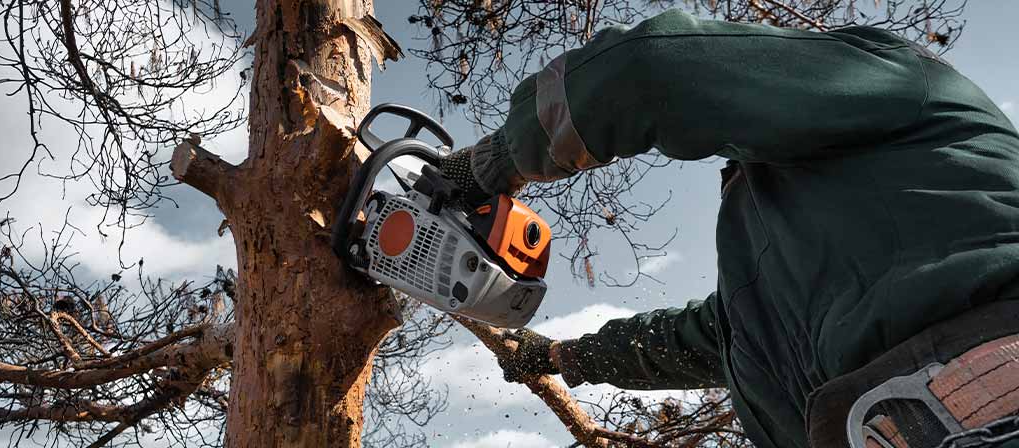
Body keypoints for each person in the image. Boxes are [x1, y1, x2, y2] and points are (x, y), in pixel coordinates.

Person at [436, 9, 1019, 448]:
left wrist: (492, 165)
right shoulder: (779, 286)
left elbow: (649, 70)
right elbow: (685, 343)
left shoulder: (904, 86)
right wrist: (562, 357)